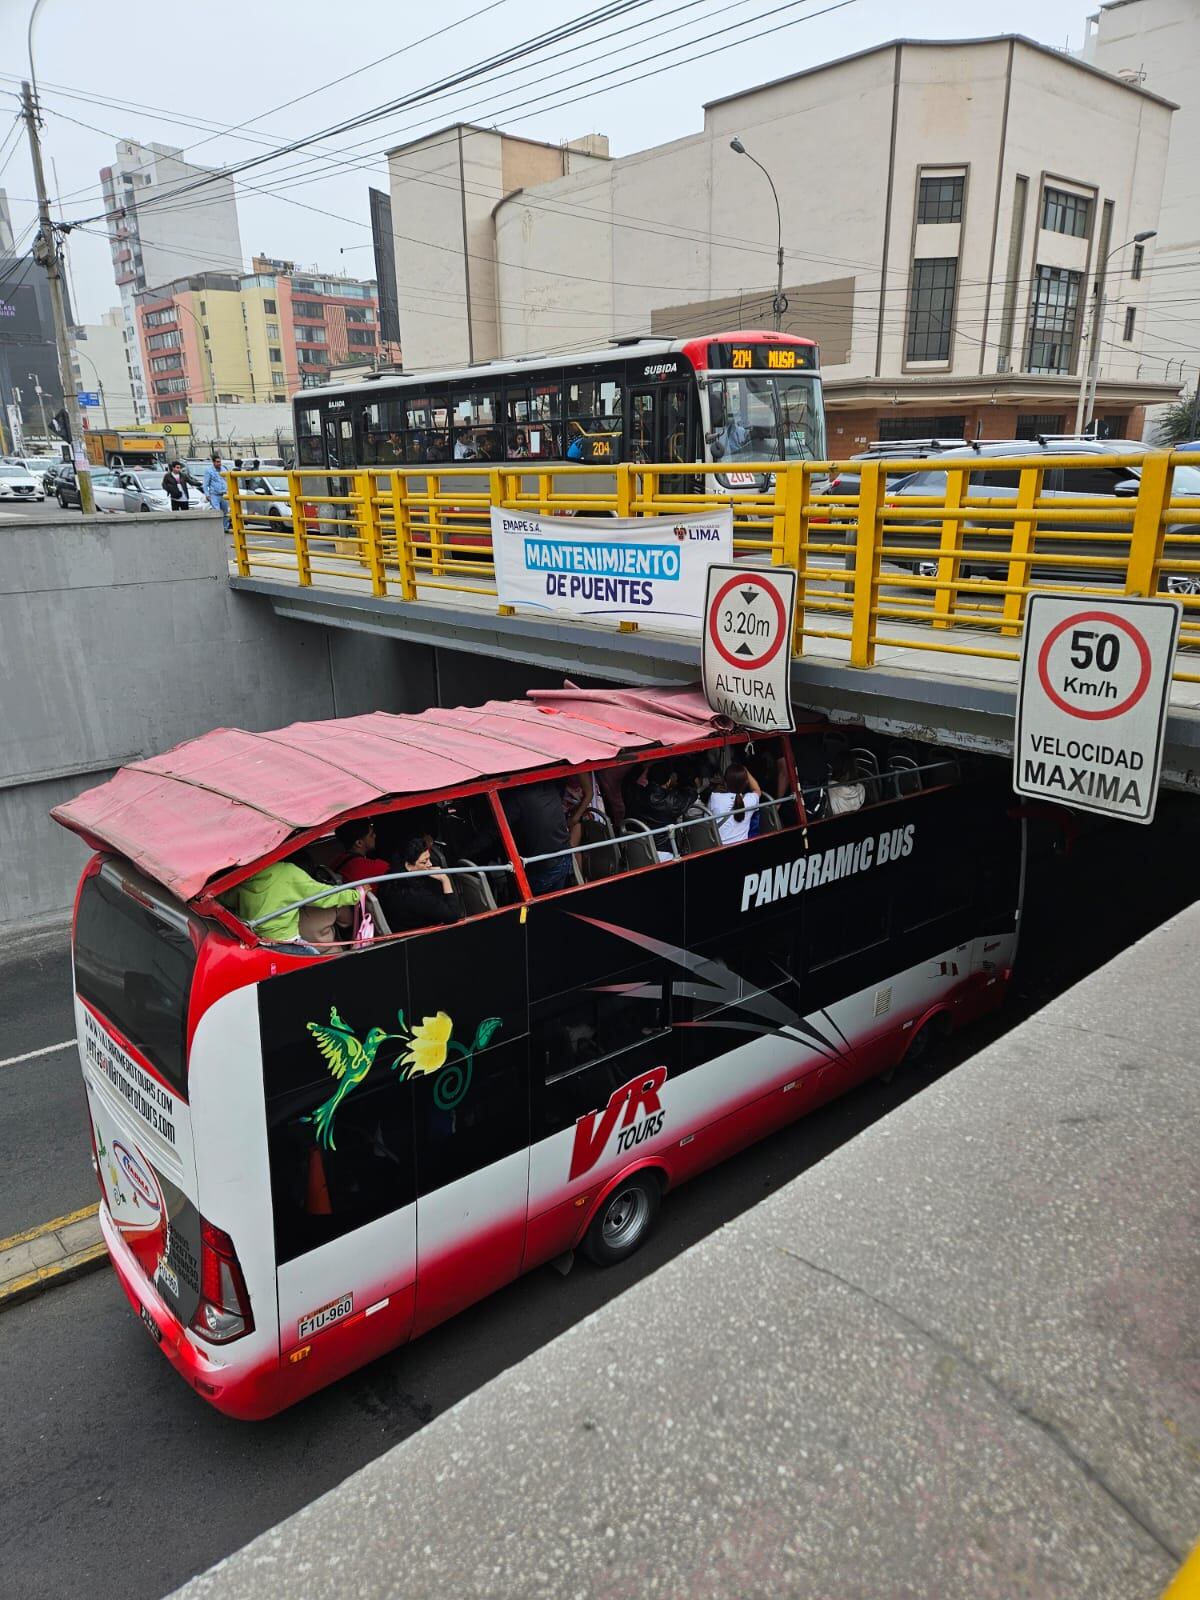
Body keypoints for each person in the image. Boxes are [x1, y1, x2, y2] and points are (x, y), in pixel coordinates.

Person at [220, 855, 360, 950]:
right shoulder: (288, 872)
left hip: (255, 941)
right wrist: (356, 894)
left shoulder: (245, 874)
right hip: (285, 941)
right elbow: (323, 895)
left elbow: (225, 898)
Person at [377, 837, 460, 932]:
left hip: (399, 927)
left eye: (429, 859)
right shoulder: (414, 894)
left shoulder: (388, 879)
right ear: (408, 865)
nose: (430, 864)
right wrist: (445, 879)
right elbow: (453, 916)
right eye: (424, 862)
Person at [503, 780, 571, 894]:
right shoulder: (550, 786)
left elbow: (491, 832)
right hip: (562, 856)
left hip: (544, 866)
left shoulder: (517, 797)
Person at [708, 763, 761, 846]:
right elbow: (757, 789)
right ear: (746, 782)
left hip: (718, 849)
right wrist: (745, 770)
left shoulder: (715, 797)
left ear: (725, 782)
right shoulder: (749, 800)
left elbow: (707, 820)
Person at [333, 817, 389, 886]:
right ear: (359, 843)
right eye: (371, 835)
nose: (375, 836)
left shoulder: (337, 862)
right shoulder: (375, 867)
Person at [203, 454, 229, 532]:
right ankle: (217, 528)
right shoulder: (209, 471)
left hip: (223, 494)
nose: (219, 463)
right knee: (217, 512)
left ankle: (225, 527)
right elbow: (205, 484)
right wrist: (207, 495)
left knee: (225, 512)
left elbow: (227, 480)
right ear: (213, 462)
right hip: (214, 494)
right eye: (217, 462)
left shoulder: (224, 469)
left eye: (220, 462)